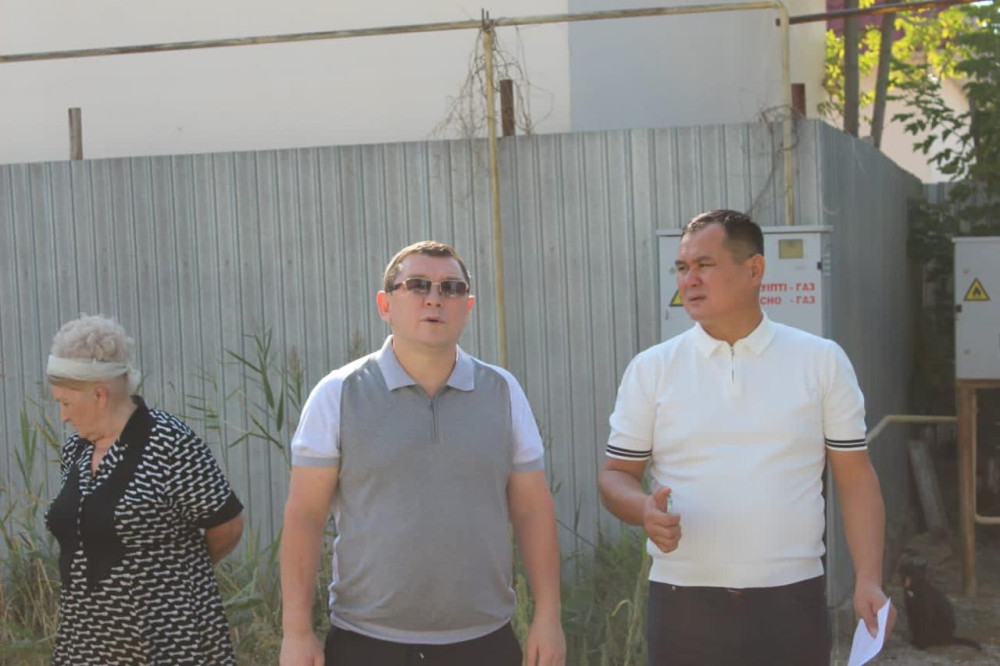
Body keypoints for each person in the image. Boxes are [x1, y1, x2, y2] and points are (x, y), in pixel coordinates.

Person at [597, 210, 897, 665]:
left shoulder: (820, 361)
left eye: (705, 265)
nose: (689, 280)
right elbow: (616, 475)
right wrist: (643, 509)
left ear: (754, 269)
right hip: (682, 605)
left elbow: (855, 478)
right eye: (682, 267)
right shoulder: (652, 369)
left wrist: (868, 579)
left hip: (790, 604)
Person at [279, 240, 565, 666]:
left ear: (468, 306)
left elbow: (532, 511)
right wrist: (296, 631)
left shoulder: (503, 392)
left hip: (484, 640)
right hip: (366, 641)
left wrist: (548, 616)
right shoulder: (338, 393)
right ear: (385, 304)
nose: (434, 298)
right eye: (417, 285)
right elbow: (305, 516)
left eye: (451, 287)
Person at [44, 314, 244, 665]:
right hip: (85, 640)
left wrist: (176, 577)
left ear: (99, 394)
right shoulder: (76, 451)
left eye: (66, 403)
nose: (63, 416)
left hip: (166, 638)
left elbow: (227, 526)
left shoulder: (170, 442)